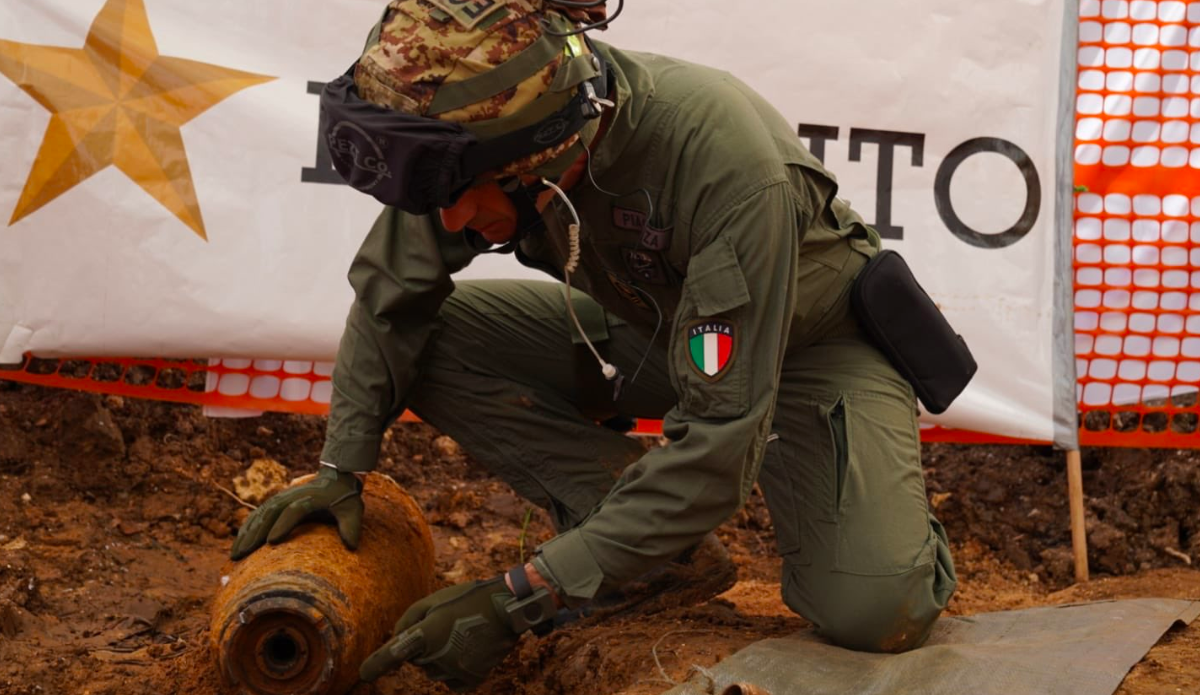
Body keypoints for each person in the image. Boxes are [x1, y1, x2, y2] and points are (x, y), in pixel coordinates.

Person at [230, 0, 958, 689]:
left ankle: (873, 499)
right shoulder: (484, 132)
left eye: (460, 195)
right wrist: (339, 467)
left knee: (877, 609)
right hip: (656, 329)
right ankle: (658, 558)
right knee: (434, 340)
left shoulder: (724, 166)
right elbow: (393, 296)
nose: (446, 216)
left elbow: (718, 444)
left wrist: (524, 595)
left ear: (546, 161)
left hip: (811, 348)